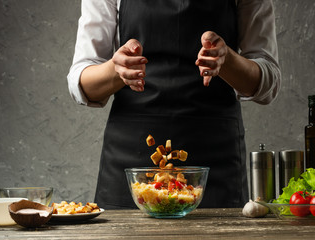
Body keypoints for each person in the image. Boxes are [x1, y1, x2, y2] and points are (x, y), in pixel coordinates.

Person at [67, 0, 281, 209]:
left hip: (214, 155)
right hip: (132, 156)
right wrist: (117, 69)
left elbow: (268, 82)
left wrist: (227, 61)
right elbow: (82, 83)